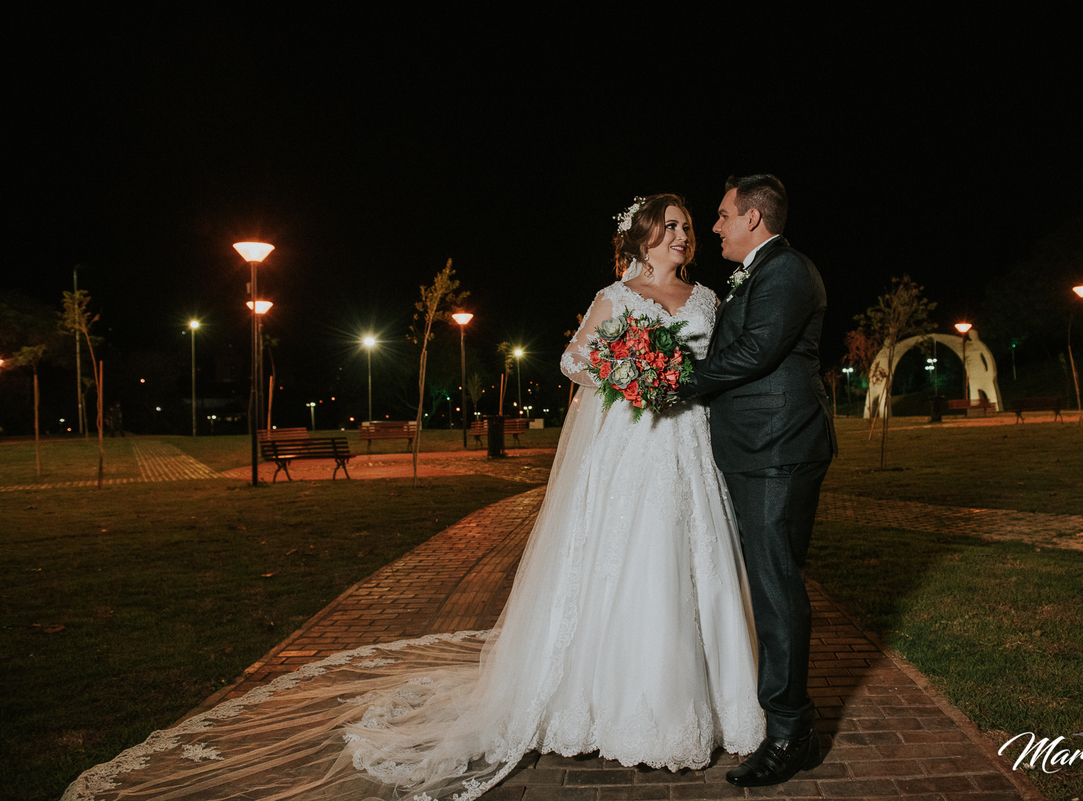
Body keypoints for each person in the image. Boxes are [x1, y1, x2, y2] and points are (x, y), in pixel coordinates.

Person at [62, 194, 763, 801]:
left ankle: (706, 701)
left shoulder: (706, 300)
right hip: (627, 447)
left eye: (688, 227)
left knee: (685, 559)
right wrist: (627, 368)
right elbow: (573, 358)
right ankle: (601, 701)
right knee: (624, 561)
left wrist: (677, 378)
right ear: (643, 235)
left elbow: (720, 367)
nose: (682, 235)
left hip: (683, 445)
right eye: (670, 225)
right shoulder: (615, 297)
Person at [675, 174, 837, 787]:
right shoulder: (762, 273)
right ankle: (792, 723)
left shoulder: (788, 271)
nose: (712, 227)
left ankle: (791, 732)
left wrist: (674, 379)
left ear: (752, 218)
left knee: (775, 587)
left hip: (779, 448)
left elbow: (756, 354)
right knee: (771, 583)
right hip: (758, 448)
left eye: (720, 215)